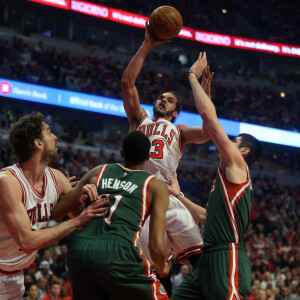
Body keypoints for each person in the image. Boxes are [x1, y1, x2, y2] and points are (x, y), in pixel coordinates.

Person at [171, 52, 262, 300]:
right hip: (209, 257)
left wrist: (192, 76)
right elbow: (206, 216)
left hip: (227, 257)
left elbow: (209, 120)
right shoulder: (227, 176)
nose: (228, 143)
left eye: (234, 141)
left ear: (242, 151)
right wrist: (177, 194)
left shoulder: (238, 166)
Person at [121, 24, 212, 267]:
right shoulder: (139, 119)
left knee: (200, 257)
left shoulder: (179, 131)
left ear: (176, 112)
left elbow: (207, 131)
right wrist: (147, 44)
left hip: (170, 195)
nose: (163, 100)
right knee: (157, 267)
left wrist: (205, 89)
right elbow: (127, 84)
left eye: (170, 100)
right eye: (161, 97)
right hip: (142, 195)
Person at [0, 112, 108, 300]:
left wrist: (87, 197)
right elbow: (27, 242)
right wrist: (77, 221)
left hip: (15, 276)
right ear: (38, 143)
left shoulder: (57, 179)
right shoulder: (7, 182)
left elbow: (85, 223)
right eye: (49, 132)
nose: (56, 137)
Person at [51, 131, 170, 299]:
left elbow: (56, 212)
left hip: (81, 250)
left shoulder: (98, 171)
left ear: (121, 154)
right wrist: (162, 266)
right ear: (148, 157)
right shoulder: (155, 185)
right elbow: (155, 245)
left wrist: (68, 192)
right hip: (119, 252)